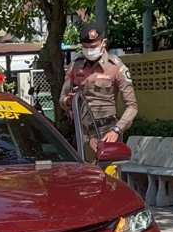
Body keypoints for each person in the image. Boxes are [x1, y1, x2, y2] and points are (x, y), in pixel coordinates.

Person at [58, 22, 138, 161]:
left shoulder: (116, 67)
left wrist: (117, 130)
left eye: (93, 47)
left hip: (109, 131)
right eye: (85, 47)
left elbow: (132, 106)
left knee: (110, 175)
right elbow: (62, 100)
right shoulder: (76, 66)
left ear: (104, 43)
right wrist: (69, 101)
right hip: (83, 132)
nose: (89, 50)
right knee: (87, 176)